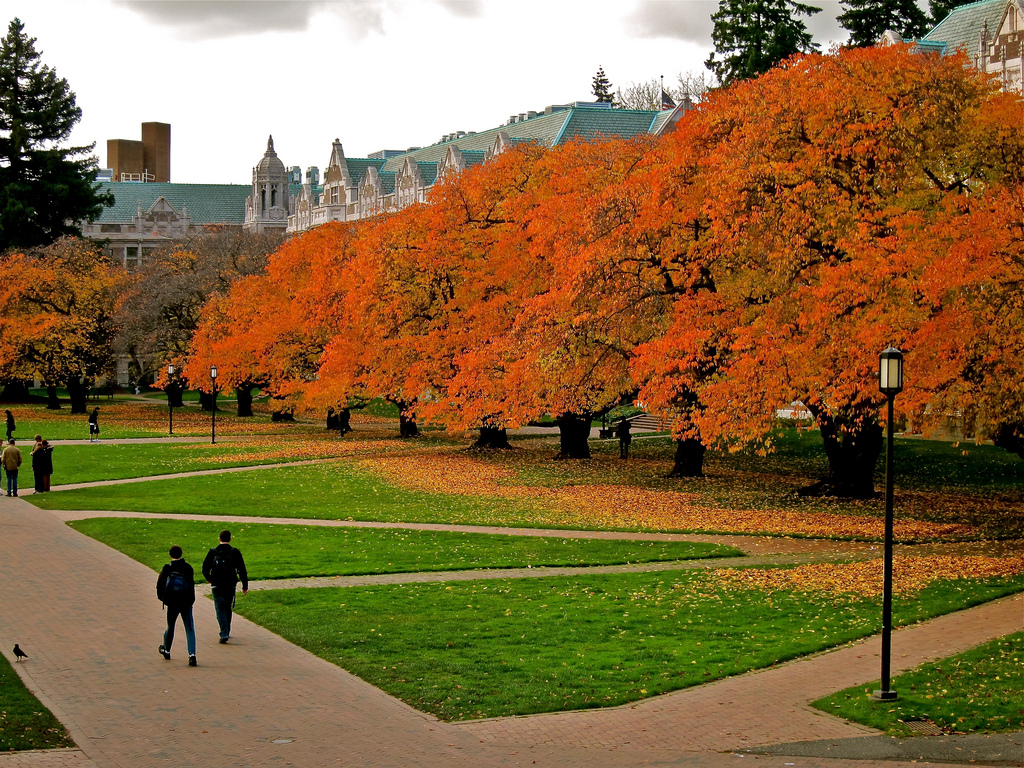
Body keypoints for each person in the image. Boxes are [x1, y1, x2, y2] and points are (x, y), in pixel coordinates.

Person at [202, 530, 248, 644]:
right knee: (228, 607)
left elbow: (204, 568)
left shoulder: (213, 552)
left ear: (219, 539)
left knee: (220, 608)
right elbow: (242, 569)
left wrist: (209, 579)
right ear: (230, 539)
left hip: (216, 583)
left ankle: (224, 633)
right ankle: (227, 629)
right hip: (230, 583)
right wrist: (245, 585)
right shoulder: (235, 552)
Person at [157, 545, 198, 667]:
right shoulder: (188, 568)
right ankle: (192, 655)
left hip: (172, 603)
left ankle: (167, 650)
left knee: (171, 626)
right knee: (189, 628)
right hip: (186, 602)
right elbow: (191, 585)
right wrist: (191, 600)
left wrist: (164, 599)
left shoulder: (167, 568)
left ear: (170, 555)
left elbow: (160, 585)